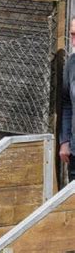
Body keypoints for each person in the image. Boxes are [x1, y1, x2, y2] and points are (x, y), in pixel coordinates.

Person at [60, 17, 75, 177]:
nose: (73, 41)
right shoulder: (71, 64)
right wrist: (64, 141)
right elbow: (67, 105)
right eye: (72, 35)